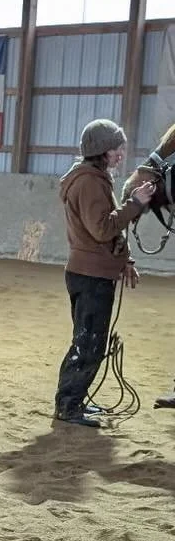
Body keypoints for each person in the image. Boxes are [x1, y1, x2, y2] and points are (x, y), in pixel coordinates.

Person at [53, 120, 156, 427]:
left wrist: (124, 259)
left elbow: (104, 230)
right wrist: (134, 204)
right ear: (102, 151)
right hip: (91, 276)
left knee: (90, 342)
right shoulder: (90, 183)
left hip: (91, 271)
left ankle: (74, 401)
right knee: (88, 344)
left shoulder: (93, 179)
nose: (120, 154)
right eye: (116, 148)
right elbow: (102, 229)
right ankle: (69, 406)